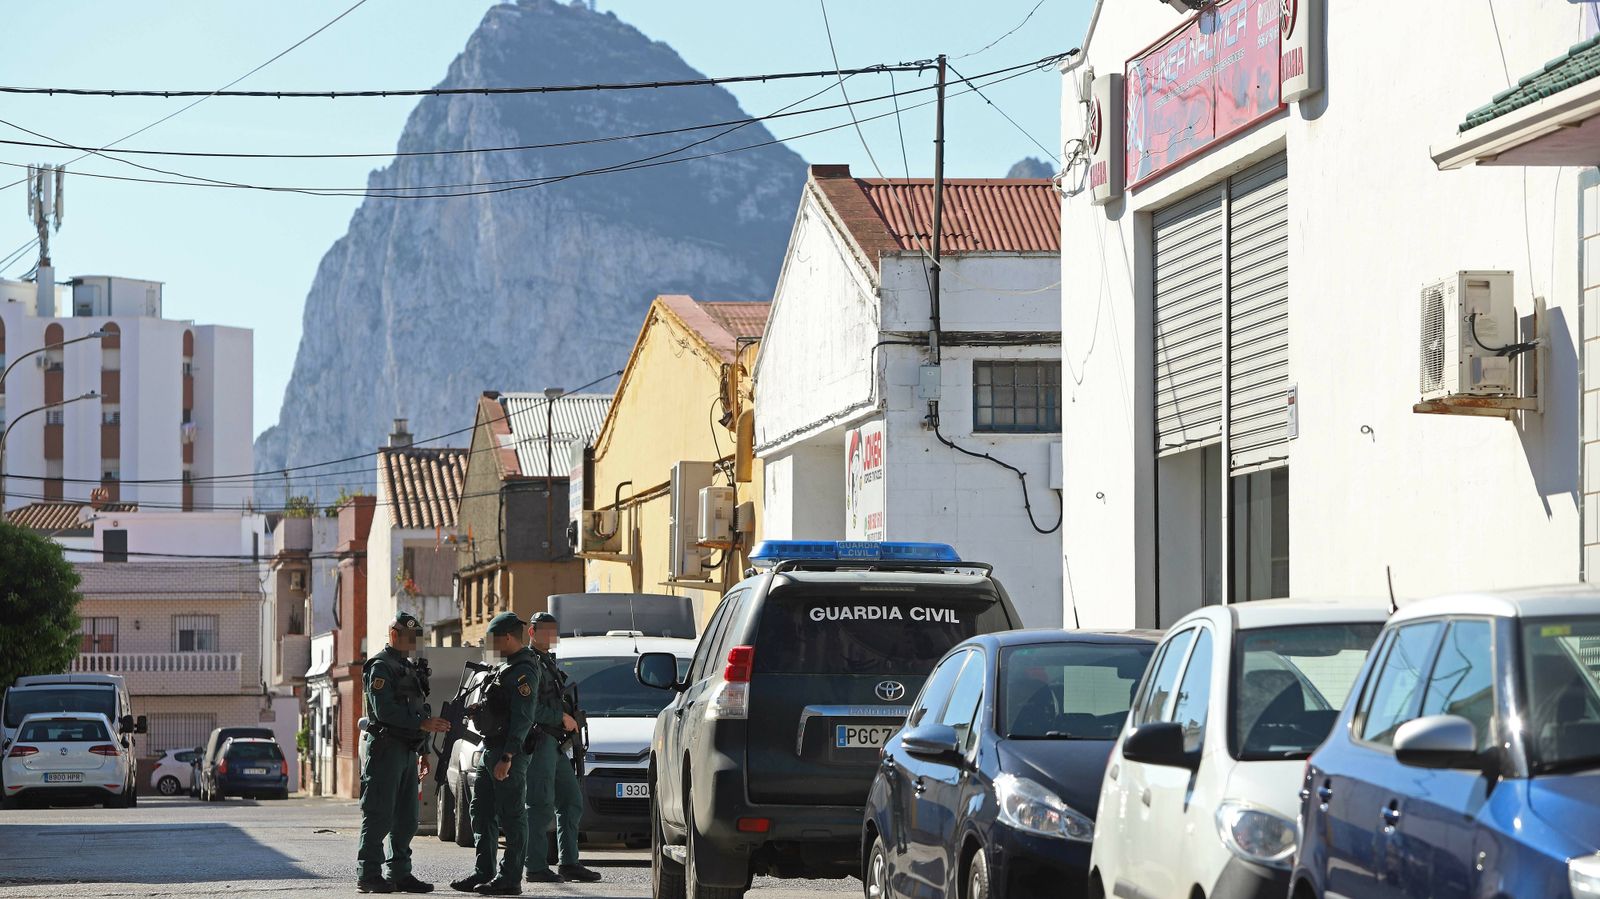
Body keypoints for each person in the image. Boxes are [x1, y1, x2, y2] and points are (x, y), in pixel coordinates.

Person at [357, 611, 452, 894]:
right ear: (394, 635)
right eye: (409, 637)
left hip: (408, 750)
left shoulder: (407, 667)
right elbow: (384, 711)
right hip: (386, 749)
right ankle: (368, 874)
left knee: (407, 818)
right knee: (379, 814)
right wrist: (422, 724)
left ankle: (399, 873)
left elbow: (419, 708)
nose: (414, 642)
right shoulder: (380, 667)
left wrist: (423, 750)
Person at [451, 612, 542, 896]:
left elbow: (523, 718)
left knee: (512, 816)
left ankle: (510, 878)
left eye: (493, 639)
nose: (491, 645)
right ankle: (484, 871)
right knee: (481, 811)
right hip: (491, 748)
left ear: (507, 637)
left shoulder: (524, 670)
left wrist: (508, 757)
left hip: (508, 753)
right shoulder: (505, 667)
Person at [523, 612, 601, 884]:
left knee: (571, 800)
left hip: (554, 744)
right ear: (532, 632)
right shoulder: (528, 664)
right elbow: (528, 708)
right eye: (544, 631)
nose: (549, 636)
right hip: (538, 741)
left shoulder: (548, 662)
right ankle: (535, 866)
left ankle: (568, 862)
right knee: (539, 804)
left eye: (553, 631)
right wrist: (561, 717)